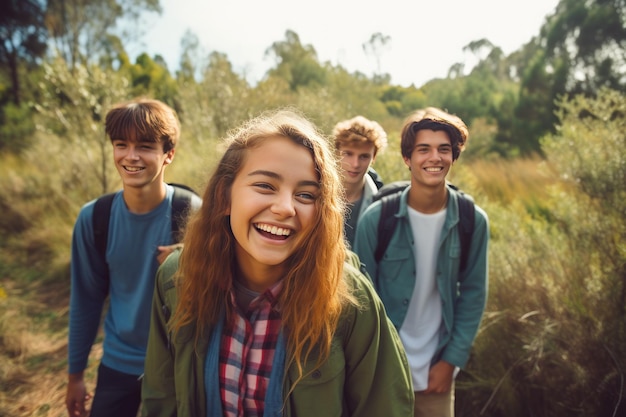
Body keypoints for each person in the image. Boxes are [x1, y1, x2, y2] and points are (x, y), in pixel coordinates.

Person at [141, 109, 414, 416]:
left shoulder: (350, 300)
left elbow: (385, 406)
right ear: (224, 196)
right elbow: (159, 398)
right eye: (265, 186)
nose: (285, 208)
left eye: (307, 195)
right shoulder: (177, 278)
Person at [65, 98, 202, 417]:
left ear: (168, 154)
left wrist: (187, 257)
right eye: (121, 144)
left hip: (178, 364)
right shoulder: (95, 218)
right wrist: (75, 376)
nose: (131, 156)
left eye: (144, 146)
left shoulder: (193, 214)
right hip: (118, 362)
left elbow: (223, 288)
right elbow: (85, 301)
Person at [353, 107, 489, 417]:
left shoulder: (472, 222)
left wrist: (451, 361)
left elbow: (473, 294)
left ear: (453, 157)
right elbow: (361, 301)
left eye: (444, 149)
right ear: (407, 158)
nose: (434, 158)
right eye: (423, 149)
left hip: (437, 373)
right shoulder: (376, 220)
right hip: (382, 372)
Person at [332, 115, 387, 247]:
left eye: (364, 156)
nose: (355, 164)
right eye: (348, 154)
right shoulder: (314, 193)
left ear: (373, 158)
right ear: (337, 153)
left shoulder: (382, 204)